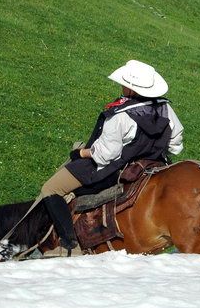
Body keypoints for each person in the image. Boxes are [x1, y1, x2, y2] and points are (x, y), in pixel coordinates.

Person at [39, 60, 184, 253]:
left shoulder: (120, 116)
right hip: (153, 164)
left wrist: (80, 152)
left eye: (125, 84)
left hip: (116, 169)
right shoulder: (166, 108)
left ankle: (69, 244)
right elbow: (175, 145)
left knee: (51, 188)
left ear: (131, 89)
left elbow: (105, 155)